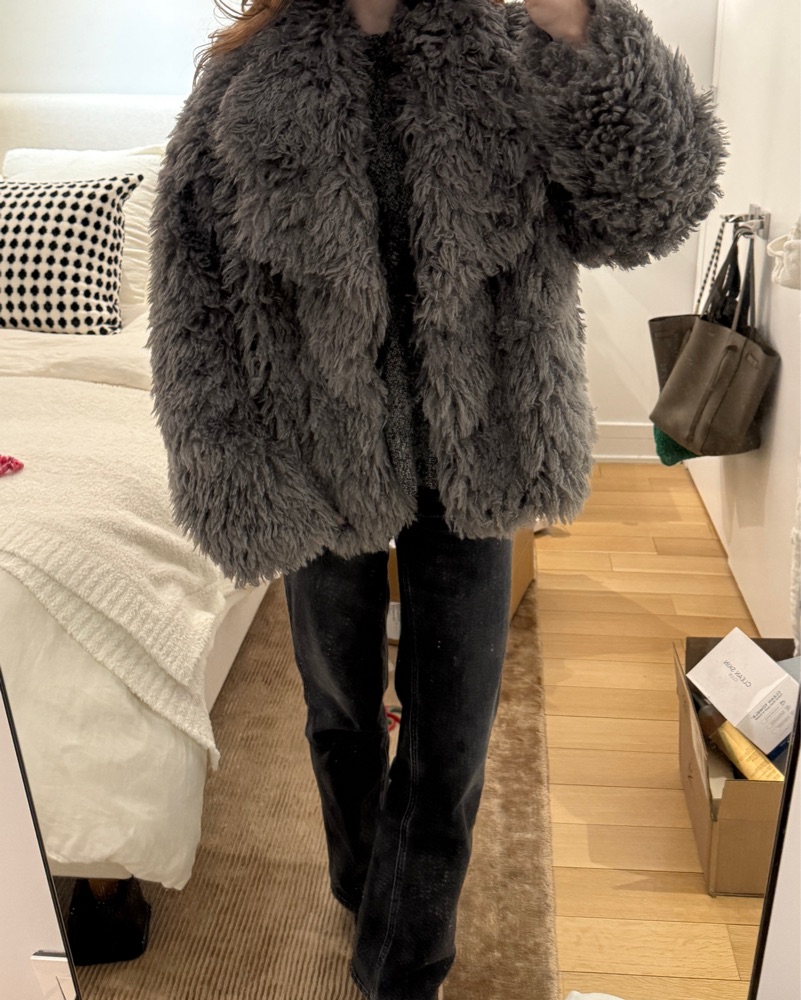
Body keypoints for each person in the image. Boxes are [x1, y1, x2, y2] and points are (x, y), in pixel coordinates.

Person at [146, 0, 727, 996]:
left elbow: (651, 208)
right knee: (338, 709)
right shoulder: (246, 82)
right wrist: (236, 470)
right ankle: (358, 878)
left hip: (479, 449)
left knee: (450, 736)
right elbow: (189, 295)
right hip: (320, 460)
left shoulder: (507, 52)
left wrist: (580, 29)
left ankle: (403, 967)